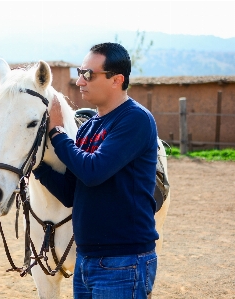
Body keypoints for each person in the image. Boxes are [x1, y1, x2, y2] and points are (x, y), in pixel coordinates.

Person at [33, 42, 159, 298]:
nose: (80, 81)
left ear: (117, 80)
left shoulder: (135, 120)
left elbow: (93, 171)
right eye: (80, 72)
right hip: (87, 260)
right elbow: (71, 193)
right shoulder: (88, 128)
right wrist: (37, 165)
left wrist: (57, 133)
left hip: (124, 262)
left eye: (88, 74)